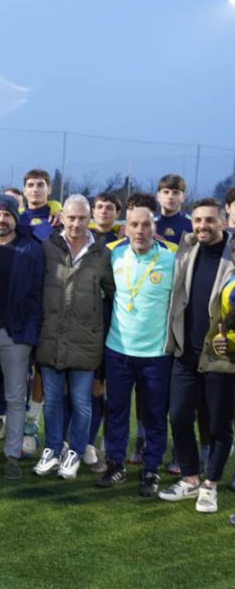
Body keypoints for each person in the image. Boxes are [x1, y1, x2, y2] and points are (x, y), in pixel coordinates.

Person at [158, 199, 235, 512]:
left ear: (222, 223)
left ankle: (210, 485)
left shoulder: (232, 257)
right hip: (185, 353)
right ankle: (190, 479)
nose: (203, 226)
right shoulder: (186, 249)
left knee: (218, 426)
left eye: (210, 221)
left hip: (221, 356)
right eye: (198, 220)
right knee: (178, 417)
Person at [96, 202, 176, 494]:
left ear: (154, 228)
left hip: (157, 355)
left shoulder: (170, 261)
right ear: (125, 227)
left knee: (154, 414)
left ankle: (151, 470)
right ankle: (115, 465)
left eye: (146, 225)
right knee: (116, 410)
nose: (140, 231)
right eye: (134, 225)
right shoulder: (115, 256)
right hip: (118, 350)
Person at [33, 195, 114, 479]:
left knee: (82, 402)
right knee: (53, 400)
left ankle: (75, 452)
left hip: (86, 341)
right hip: (50, 338)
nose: (76, 223)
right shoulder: (46, 248)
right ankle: (52, 449)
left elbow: (113, 295)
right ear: (62, 217)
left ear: (89, 218)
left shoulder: (102, 254)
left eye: (82, 218)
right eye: (71, 217)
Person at [0, 194, 45, 479]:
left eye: (7, 215)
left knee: (16, 398)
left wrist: (29, 332)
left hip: (16, 335)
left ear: (16, 218)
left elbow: (37, 295)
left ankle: (12, 454)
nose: (1, 220)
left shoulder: (31, 249)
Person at [20, 169, 62, 241]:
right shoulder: (16, 219)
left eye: (40, 185)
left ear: (49, 189)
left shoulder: (58, 219)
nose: (35, 189)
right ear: (24, 191)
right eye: (30, 185)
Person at [155, 173, 192, 243]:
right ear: (158, 196)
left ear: (183, 197)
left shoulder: (192, 225)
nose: (170, 197)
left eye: (175, 193)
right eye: (166, 192)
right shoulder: (150, 225)